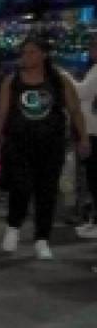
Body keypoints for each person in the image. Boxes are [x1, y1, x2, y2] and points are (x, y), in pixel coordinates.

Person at [0, 36, 88, 259]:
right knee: (21, 187)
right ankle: (13, 226)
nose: (27, 57)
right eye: (24, 53)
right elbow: (2, 113)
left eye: (32, 52)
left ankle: (42, 239)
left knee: (47, 191)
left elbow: (75, 110)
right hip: (19, 144)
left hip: (51, 144)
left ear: (43, 55)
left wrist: (83, 137)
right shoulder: (12, 81)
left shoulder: (60, 79)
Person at [72, 35, 97, 238]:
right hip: (91, 129)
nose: (91, 50)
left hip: (95, 130)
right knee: (91, 178)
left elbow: (82, 92)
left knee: (94, 178)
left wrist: (65, 78)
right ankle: (94, 221)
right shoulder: (94, 69)